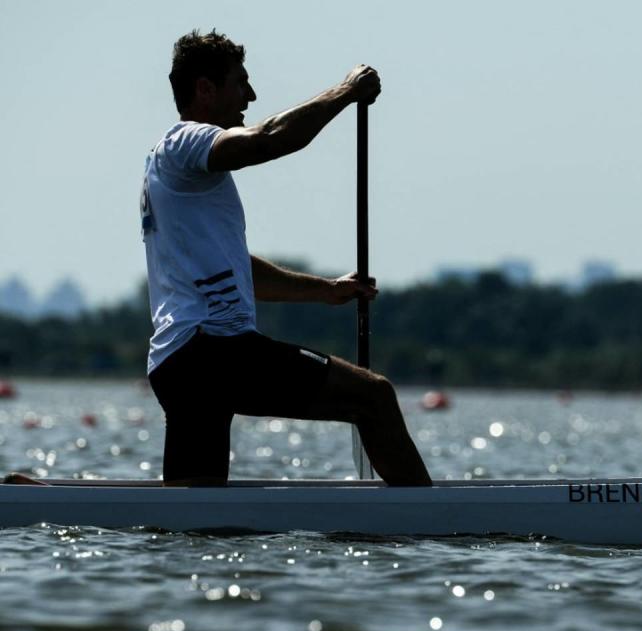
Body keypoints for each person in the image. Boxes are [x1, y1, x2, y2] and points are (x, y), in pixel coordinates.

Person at [141, 29, 431, 487]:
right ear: (205, 89)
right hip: (213, 349)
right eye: (241, 83)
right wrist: (345, 92)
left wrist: (326, 290)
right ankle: (430, 526)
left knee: (195, 514)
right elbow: (267, 139)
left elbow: (241, 271)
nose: (250, 96)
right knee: (372, 397)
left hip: (181, 362)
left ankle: (29, 498)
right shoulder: (186, 143)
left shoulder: (173, 171)